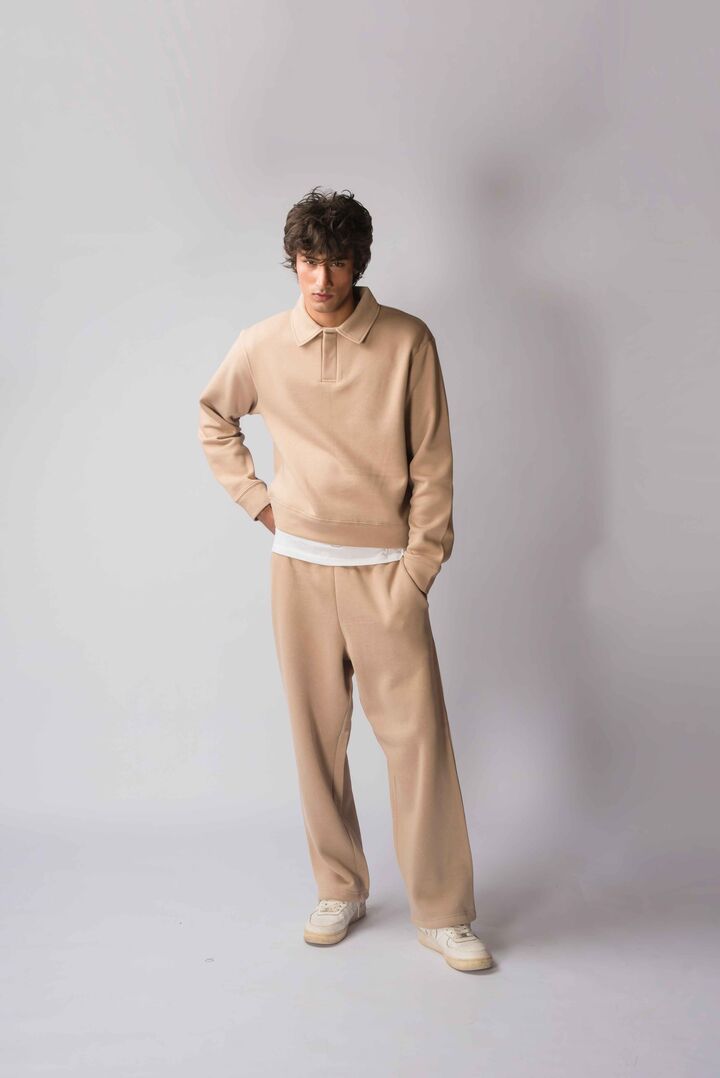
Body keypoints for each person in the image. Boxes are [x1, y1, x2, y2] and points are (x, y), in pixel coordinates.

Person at [197, 186, 494, 973]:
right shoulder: (262, 344)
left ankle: (443, 912)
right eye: (307, 260)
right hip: (299, 570)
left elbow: (433, 462)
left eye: (334, 261)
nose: (321, 278)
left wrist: (419, 568)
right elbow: (214, 417)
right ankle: (339, 887)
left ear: (358, 262)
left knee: (418, 744)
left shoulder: (407, 341)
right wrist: (262, 504)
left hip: (386, 573)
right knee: (315, 738)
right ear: (292, 263)